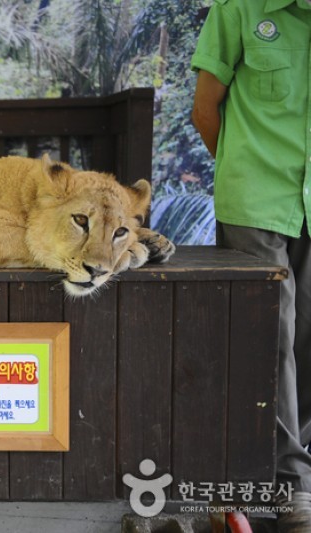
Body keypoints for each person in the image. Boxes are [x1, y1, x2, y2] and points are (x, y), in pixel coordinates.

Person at [191, 0, 311, 530]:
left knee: (303, 342)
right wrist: (239, 168)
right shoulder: (238, 10)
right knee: (274, 337)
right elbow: (204, 110)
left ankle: (279, 465)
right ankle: (293, 489)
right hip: (256, 200)